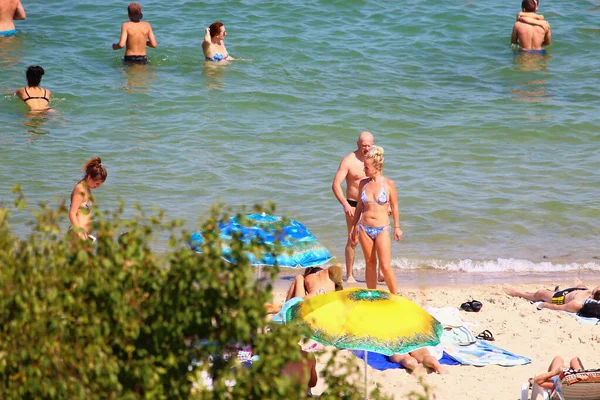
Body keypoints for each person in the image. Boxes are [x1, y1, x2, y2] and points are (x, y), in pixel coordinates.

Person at [349, 146, 402, 294]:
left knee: (385, 266)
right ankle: (372, 296)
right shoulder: (363, 184)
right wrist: (354, 228)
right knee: (370, 264)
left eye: (366, 167)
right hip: (364, 228)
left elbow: (395, 206)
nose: (364, 170)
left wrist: (397, 227)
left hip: (382, 228)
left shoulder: (389, 184)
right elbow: (359, 206)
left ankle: (395, 296)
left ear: (376, 167)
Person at [332, 131, 374, 283]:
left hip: (371, 203)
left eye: (369, 145)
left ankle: (377, 273)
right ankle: (350, 275)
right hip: (353, 204)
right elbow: (336, 184)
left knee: (374, 237)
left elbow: (380, 182)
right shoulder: (349, 161)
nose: (367, 148)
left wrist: (386, 204)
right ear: (357, 144)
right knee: (353, 239)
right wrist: (344, 203)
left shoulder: (374, 160)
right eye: (364, 145)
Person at [69, 157, 107, 241]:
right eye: (97, 183)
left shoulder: (86, 188)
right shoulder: (80, 189)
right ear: (89, 177)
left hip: (84, 233)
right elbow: (72, 213)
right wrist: (79, 233)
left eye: (100, 184)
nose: (98, 186)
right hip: (78, 233)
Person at [504, 280, 600, 313]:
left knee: (540, 293)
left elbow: (558, 307)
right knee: (580, 284)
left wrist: (544, 305)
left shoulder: (577, 304)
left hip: (561, 297)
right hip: (579, 291)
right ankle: (579, 286)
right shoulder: (592, 294)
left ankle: (518, 293)